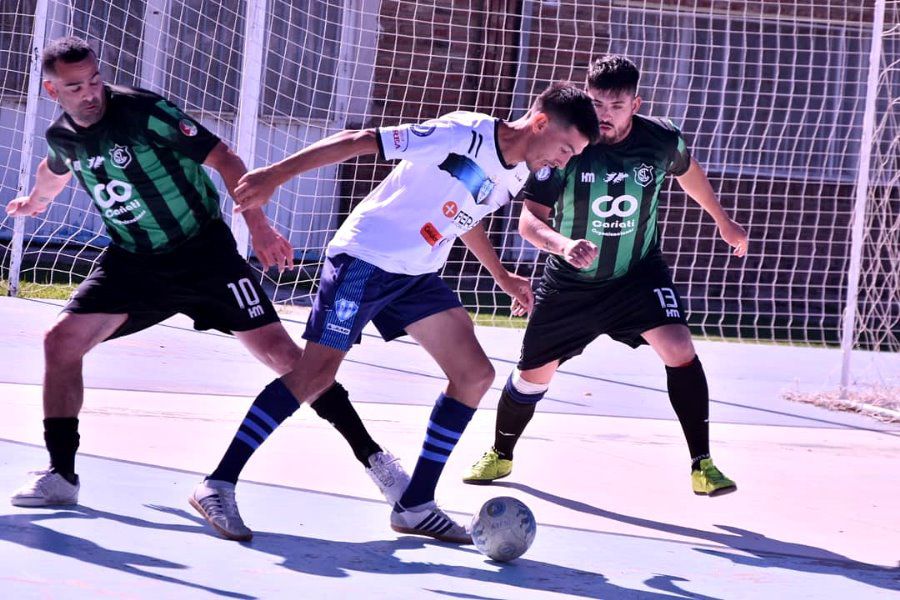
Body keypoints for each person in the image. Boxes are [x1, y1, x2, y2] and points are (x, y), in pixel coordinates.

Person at [6, 37, 406, 542]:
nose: (89, 93)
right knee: (59, 343)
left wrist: (257, 225)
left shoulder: (145, 113)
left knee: (289, 360)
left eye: (94, 80)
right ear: (51, 90)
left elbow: (226, 159)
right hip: (133, 263)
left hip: (205, 254)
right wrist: (34, 202)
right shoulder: (63, 135)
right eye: (74, 87)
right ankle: (61, 475)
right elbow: (55, 170)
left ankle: (379, 465)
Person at [202, 81, 600, 543]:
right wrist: (275, 175)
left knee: (473, 375)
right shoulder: (462, 134)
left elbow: (462, 218)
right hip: (367, 258)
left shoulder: (515, 173)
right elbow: (359, 141)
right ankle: (218, 483)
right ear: (541, 122)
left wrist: (502, 275)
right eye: (566, 149)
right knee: (313, 375)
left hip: (417, 273)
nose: (564, 161)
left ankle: (415, 505)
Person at [462, 54, 749, 497]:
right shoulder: (568, 146)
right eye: (596, 103)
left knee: (678, 347)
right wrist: (562, 245)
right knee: (533, 374)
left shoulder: (661, 140)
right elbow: (529, 221)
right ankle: (501, 453)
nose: (604, 115)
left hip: (637, 274)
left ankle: (702, 465)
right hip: (570, 282)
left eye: (615, 106)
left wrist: (722, 219)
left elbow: (688, 173)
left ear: (636, 104)